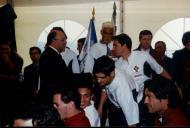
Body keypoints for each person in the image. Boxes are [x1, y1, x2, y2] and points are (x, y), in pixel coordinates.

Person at [112, 33, 171, 126]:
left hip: (145, 100)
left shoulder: (142, 56)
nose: (113, 48)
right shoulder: (116, 66)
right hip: (128, 104)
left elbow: (160, 70)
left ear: (124, 45)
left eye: (115, 45)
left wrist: (173, 84)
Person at [93, 55, 139, 126]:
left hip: (125, 105)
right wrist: (100, 107)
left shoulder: (122, 89)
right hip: (114, 102)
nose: (98, 81)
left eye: (101, 77)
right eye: (97, 77)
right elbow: (104, 89)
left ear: (112, 74)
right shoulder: (107, 74)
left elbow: (132, 122)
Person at [39, 27, 72, 104]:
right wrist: (87, 77)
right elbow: (61, 79)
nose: (65, 42)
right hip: (51, 99)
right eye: (63, 40)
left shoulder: (53, 54)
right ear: (54, 40)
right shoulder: (49, 56)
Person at [0, 40, 23, 126]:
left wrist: (7, 60)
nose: (4, 51)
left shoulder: (17, 59)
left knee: (13, 114)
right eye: (2, 49)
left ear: (10, 49)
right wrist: (10, 77)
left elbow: (15, 71)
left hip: (14, 92)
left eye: (6, 49)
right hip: (2, 91)